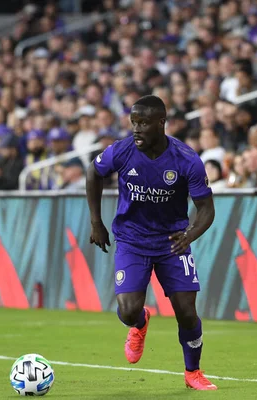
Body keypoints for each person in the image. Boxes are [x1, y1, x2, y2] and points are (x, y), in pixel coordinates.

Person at [86, 95, 217, 391]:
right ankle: (140, 323)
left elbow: (207, 209)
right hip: (132, 240)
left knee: (186, 311)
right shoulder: (121, 151)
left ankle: (193, 372)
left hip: (172, 242)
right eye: (134, 122)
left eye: (144, 123)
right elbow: (93, 172)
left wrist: (189, 235)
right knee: (129, 310)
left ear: (161, 123)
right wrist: (97, 222)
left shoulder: (186, 160)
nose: (136, 129)